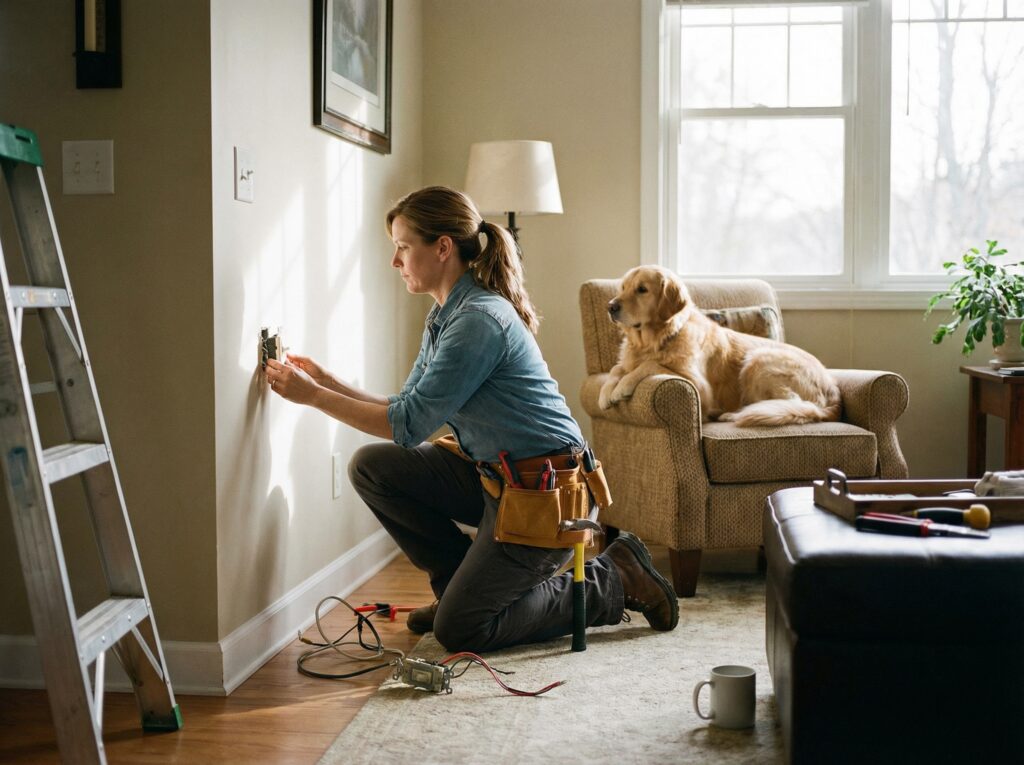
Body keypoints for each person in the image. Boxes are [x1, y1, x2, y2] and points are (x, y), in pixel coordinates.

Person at [264, 186, 678, 652]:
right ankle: (457, 591)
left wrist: (313, 397)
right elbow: (406, 406)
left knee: (460, 631)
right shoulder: (447, 314)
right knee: (372, 467)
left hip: (549, 497)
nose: (395, 261)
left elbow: (407, 427)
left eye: (403, 247)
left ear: (442, 247)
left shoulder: (478, 320)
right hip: (497, 480)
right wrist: (327, 381)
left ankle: (615, 577)